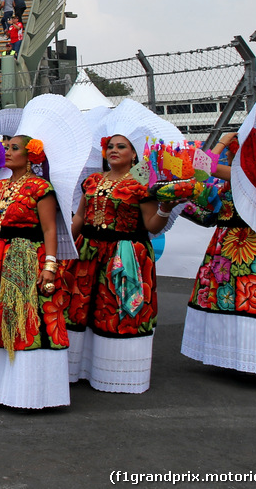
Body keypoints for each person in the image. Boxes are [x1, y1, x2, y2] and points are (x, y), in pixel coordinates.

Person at [152, 117, 256, 383]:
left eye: (237, 150)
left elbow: (203, 167)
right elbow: (211, 215)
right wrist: (179, 204)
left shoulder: (253, 174)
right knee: (230, 298)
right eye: (232, 150)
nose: (233, 154)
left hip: (251, 247)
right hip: (228, 245)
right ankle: (236, 357)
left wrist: (223, 139)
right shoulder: (236, 181)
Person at [0, 135, 70, 408]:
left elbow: (49, 229)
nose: (7, 152)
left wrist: (49, 265)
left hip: (25, 258)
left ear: (31, 155)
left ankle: (26, 391)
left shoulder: (40, 187)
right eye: (5, 148)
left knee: (24, 317)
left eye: (14, 148)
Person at [59, 133, 158, 393]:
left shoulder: (143, 182)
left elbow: (152, 226)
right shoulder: (92, 181)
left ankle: (118, 374)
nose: (113, 150)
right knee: (79, 307)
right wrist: (62, 242)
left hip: (125, 253)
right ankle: (79, 368)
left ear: (134, 154)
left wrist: (166, 207)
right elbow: (80, 216)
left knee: (115, 309)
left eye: (121, 146)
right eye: (110, 146)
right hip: (88, 251)